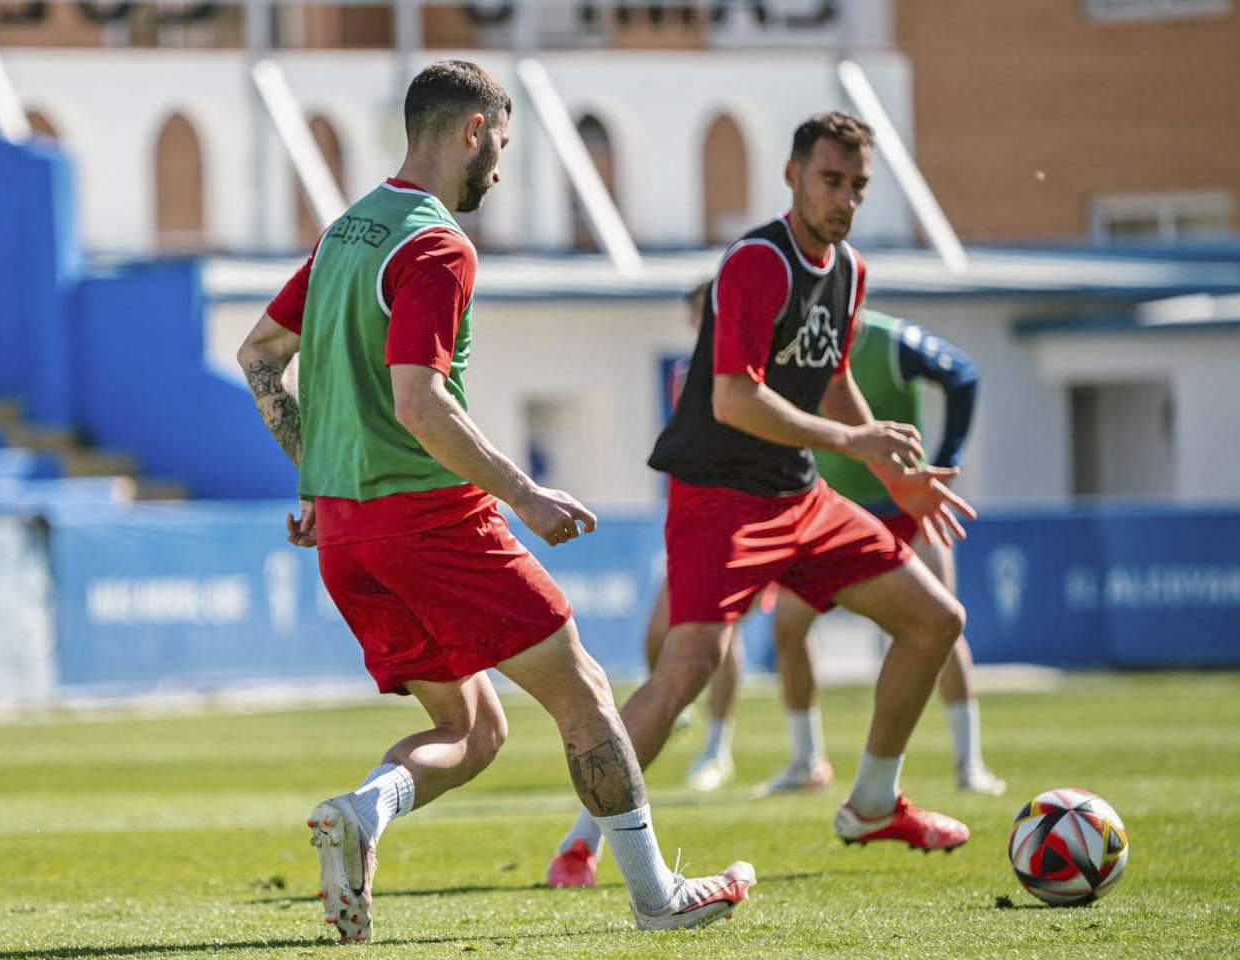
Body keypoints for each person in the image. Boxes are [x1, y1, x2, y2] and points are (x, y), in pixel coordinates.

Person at [236, 61, 754, 942]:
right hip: (431, 521)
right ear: (473, 129)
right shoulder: (436, 246)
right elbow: (418, 403)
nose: (500, 170)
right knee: (585, 691)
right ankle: (654, 895)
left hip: (348, 539)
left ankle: (361, 812)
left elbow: (257, 358)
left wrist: (318, 482)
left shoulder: (343, 233)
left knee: (473, 727)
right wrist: (525, 496)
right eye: (502, 146)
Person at [547, 111, 977, 889]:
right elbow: (735, 400)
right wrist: (855, 447)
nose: (843, 199)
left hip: (797, 497)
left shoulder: (849, 270)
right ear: (791, 176)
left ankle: (873, 802)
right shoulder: (754, 262)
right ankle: (580, 842)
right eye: (829, 180)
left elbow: (832, 375)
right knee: (686, 670)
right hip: (717, 499)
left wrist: (891, 474)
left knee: (935, 619)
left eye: (856, 186)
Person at [759, 309, 1005, 796]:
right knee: (788, 627)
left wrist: (948, 457)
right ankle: (807, 761)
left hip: (902, 509)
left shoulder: (892, 341)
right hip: (825, 516)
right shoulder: (790, 345)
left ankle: (969, 764)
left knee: (944, 627)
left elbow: (962, 374)